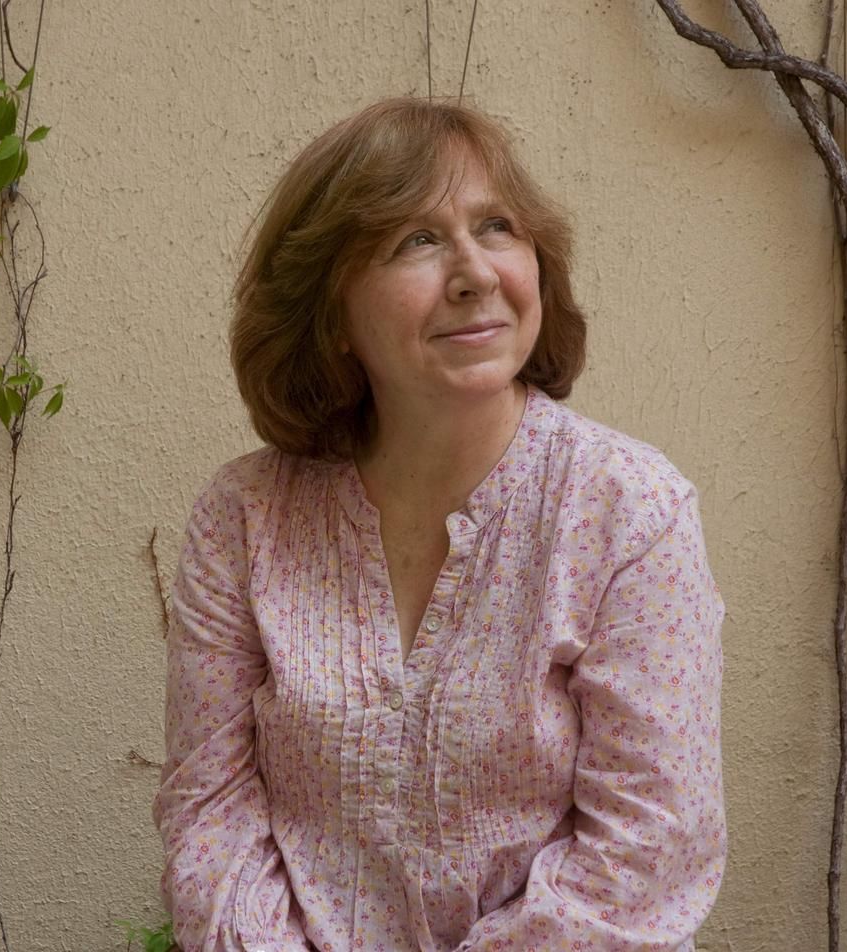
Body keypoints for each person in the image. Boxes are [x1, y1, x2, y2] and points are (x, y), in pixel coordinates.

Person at [152, 96, 726, 951]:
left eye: (497, 227)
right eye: (416, 240)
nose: (475, 274)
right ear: (331, 312)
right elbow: (211, 815)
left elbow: (645, 855)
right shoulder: (245, 518)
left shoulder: (630, 511)